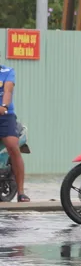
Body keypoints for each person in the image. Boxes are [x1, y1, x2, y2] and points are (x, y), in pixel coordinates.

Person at [0, 62, 27, 201]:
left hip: (4, 115)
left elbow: (8, 91)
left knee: (12, 146)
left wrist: (4, 106)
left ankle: (21, 192)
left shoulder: (7, 71)